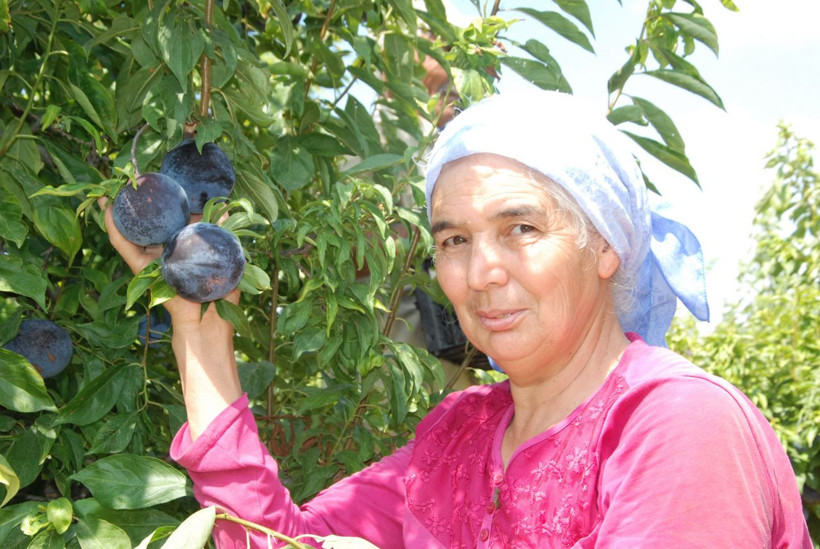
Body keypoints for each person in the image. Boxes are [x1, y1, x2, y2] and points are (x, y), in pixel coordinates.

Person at [101, 89, 811, 548]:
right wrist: (198, 328)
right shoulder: (458, 437)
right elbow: (270, 540)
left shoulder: (675, 424)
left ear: (605, 246)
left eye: (522, 228)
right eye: (454, 240)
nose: (481, 272)